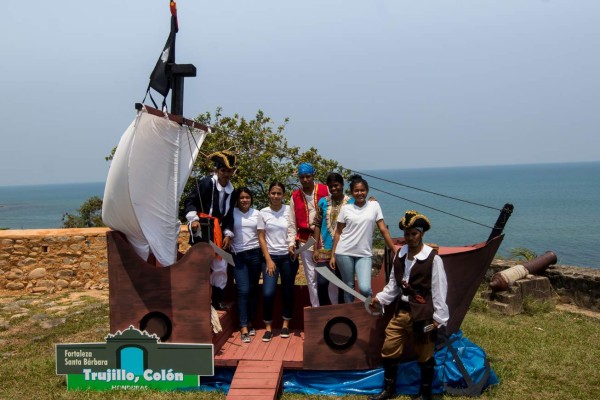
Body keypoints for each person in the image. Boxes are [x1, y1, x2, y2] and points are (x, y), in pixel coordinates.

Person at [368, 210, 449, 400]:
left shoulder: (433, 259)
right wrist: (380, 298)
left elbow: (439, 290)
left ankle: (425, 394)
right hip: (401, 313)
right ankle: (389, 389)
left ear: (421, 234)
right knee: (389, 348)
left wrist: (439, 319)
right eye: (407, 234)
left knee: (425, 354)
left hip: (423, 315)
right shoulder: (400, 255)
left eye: (414, 233)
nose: (410, 237)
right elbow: (393, 285)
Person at [184, 150, 237, 310]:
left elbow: (229, 216)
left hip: (218, 230)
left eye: (229, 171)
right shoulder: (207, 183)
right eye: (223, 171)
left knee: (220, 265)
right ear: (217, 170)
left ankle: (217, 300)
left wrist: (228, 232)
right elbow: (190, 200)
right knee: (201, 262)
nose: (226, 174)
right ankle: (198, 301)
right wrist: (193, 219)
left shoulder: (232, 191)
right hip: (203, 226)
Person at [330, 174, 396, 303]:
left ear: (367, 190)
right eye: (356, 190)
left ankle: (369, 309)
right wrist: (333, 255)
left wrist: (394, 249)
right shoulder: (346, 209)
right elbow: (338, 233)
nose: (359, 193)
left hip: (364, 254)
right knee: (348, 288)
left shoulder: (374, 206)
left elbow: (383, 229)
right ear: (352, 192)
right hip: (344, 252)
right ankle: (351, 316)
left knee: (365, 288)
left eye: (362, 190)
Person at [258, 182, 299, 342]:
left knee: (288, 291)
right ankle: (268, 326)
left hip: (288, 257)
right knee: (268, 292)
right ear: (269, 194)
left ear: (283, 195)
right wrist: (268, 259)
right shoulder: (263, 212)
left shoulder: (289, 210)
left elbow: (293, 230)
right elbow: (261, 236)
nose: (276, 196)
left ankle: (285, 324)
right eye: (273, 193)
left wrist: (292, 246)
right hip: (271, 258)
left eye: (279, 193)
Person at [287, 162, 329, 307]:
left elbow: (341, 203)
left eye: (307, 176)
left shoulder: (325, 190)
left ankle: (333, 307)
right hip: (305, 240)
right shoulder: (295, 196)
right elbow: (292, 222)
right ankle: (316, 309)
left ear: (313, 176)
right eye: (302, 177)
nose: (305, 180)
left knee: (328, 275)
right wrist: (291, 243)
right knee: (310, 277)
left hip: (325, 239)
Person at [312, 172, 352, 305]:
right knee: (322, 284)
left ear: (342, 185)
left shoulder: (351, 202)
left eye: (336, 185)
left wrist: (371, 201)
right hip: (324, 249)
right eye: (331, 186)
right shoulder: (323, 202)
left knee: (343, 285)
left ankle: (342, 315)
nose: (334, 189)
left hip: (343, 250)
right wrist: (315, 248)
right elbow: (317, 225)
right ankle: (325, 314)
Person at [231, 187, 262, 343]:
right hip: (238, 256)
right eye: (241, 197)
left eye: (247, 197)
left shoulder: (257, 214)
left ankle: (250, 322)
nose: (244, 200)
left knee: (253, 290)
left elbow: (262, 235)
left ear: (251, 199)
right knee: (243, 290)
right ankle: (243, 326)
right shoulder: (232, 213)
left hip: (255, 254)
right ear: (237, 199)